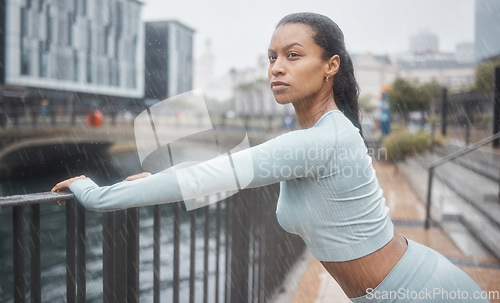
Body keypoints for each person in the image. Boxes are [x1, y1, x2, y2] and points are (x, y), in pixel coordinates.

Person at [52, 12, 489, 302]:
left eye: (293, 56)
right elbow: (226, 166)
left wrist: (97, 196)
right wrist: (148, 180)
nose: (276, 67)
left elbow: (215, 175)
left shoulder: (323, 140)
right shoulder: (314, 136)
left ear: (330, 66)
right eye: (272, 57)